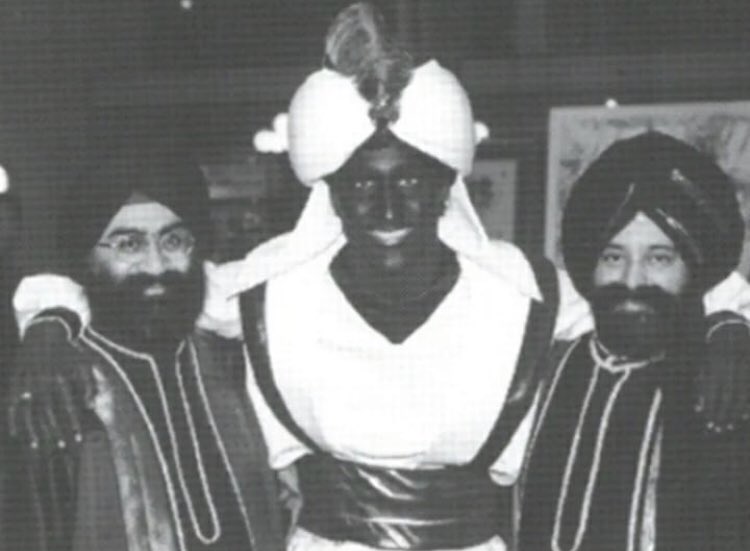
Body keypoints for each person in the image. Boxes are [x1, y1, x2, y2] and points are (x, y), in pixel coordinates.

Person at [8, 4, 750, 550]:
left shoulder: (523, 291)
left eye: (412, 182)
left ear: (447, 187)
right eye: (363, 185)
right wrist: (47, 321)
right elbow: (146, 282)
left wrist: (729, 323)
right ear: (331, 192)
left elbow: (643, 289)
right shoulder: (269, 288)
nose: (390, 206)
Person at [7, 143, 285, 551]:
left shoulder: (235, 359)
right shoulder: (57, 386)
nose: (156, 266)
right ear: (84, 258)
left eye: (174, 240)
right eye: (128, 245)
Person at [518, 132, 750, 551]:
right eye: (613, 256)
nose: (632, 280)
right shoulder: (545, 368)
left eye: (659, 258)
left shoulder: (726, 383)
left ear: (696, 266)